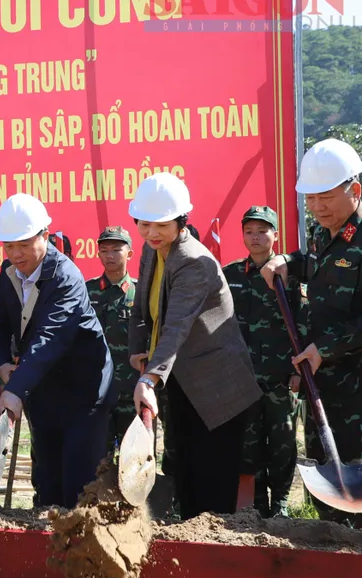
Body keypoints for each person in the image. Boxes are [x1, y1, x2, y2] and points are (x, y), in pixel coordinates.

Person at [261, 139, 362, 530]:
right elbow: (319, 268)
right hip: (328, 388)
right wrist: (288, 261)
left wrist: (324, 347)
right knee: (331, 498)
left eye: (325, 197)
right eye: (311, 199)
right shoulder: (328, 234)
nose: (317, 206)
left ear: (354, 191)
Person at [128, 173, 262, 520]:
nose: (152, 232)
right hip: (184, 381)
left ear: (180, 220)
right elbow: (143, 309)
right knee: (185, 472)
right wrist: (137, 348)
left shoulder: (193, 261)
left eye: (161, 224)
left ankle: (216, 559)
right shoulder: (152, 250)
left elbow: (176, 327)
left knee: (212, 489)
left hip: (219, 389)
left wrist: (149, 379)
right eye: (144, 224)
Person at [0, 195, 113, 508]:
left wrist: (15, 390)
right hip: (43, 391)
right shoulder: (9, 273)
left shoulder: (65, 277)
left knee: (78, 485)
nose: (16, 254)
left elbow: (49, 338)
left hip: (83, 393)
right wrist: (3, 366)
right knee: (46, 482)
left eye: (24, 245)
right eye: (9, 246)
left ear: (45, 235)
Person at [223, 206, 302, 517]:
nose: (255, 237)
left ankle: (280, 503)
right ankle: (255, 503)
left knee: (283, 441)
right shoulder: (229, 275)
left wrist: (298, 370)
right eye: (249, 231)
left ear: (275, 235)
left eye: (262, 230)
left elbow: (303, 321)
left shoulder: (289, 275)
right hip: (243, 377)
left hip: (280, 375)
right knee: (248, 443)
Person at [85, 226, 140, 450]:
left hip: (130, 390)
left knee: (133, 459)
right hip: (95, 390)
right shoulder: (85, 291)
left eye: (116, 249)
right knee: (97, 459)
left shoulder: (140, 292)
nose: (109, 255)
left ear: (129, 254)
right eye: (104, 250)